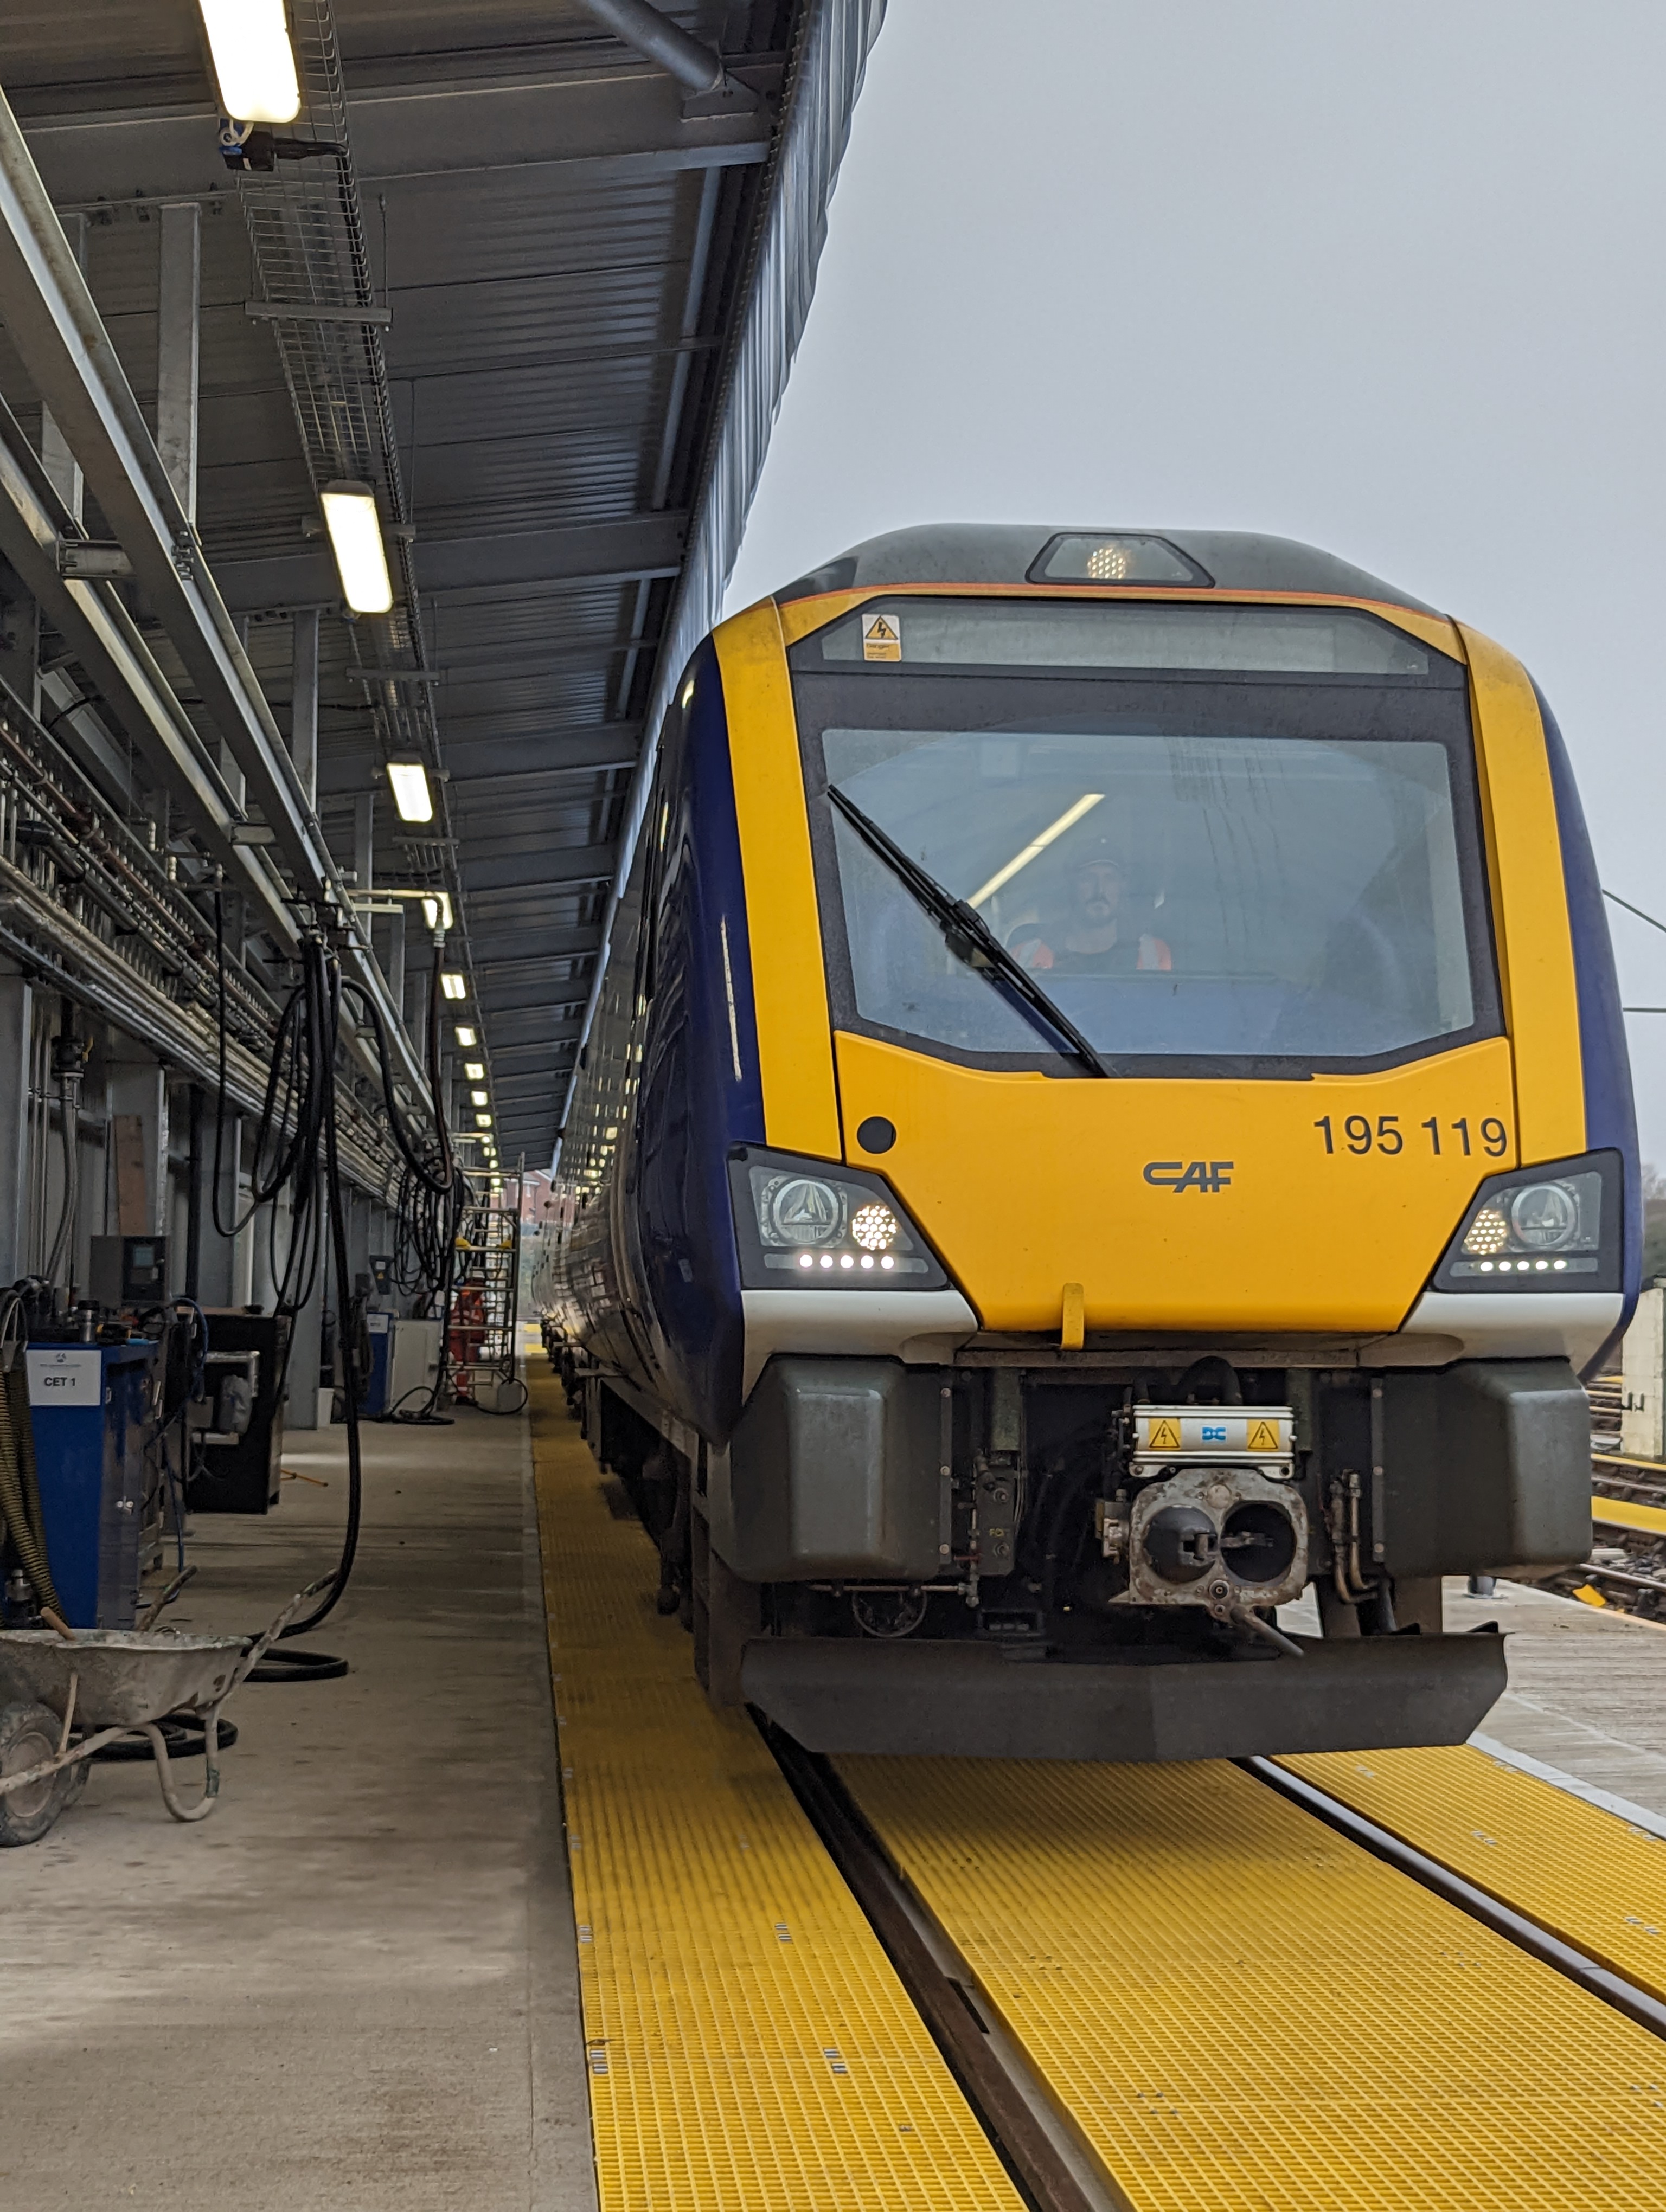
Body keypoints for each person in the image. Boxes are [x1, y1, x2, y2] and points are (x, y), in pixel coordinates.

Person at [1007, 854, 1171, 974]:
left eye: (1110, 879)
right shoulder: (1026, 955)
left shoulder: (1153, 953)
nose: (1100, 890)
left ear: (1122, 887)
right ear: (1072, 887)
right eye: (1088, 879)